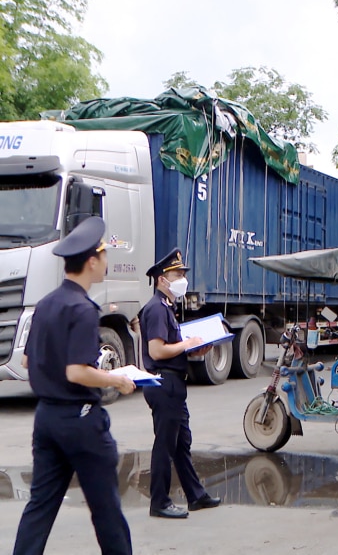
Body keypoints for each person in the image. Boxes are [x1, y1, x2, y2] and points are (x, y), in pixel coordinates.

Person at [13, 216, 136, 555]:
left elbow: (26, 361)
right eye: (104, 256)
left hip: (47, 419)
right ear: (92, 261)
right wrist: (116, 379)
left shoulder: (46, 304)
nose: (106, 262)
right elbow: (77, 372)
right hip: (80, 421)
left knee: (40, 507)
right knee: (106, 509)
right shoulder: (82, 309)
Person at [140, 248, 221, 519]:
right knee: (165, 444)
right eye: (177, 274)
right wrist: (186, 344)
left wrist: (193, 351)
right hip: (164, 384)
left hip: (174, 383)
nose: (182, 279)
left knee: (181, 442)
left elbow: (172, 347)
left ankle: (195, 495)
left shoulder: (167, 307)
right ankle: (159, 502)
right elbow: (156, 351)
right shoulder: (155, 309)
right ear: (162, 279)